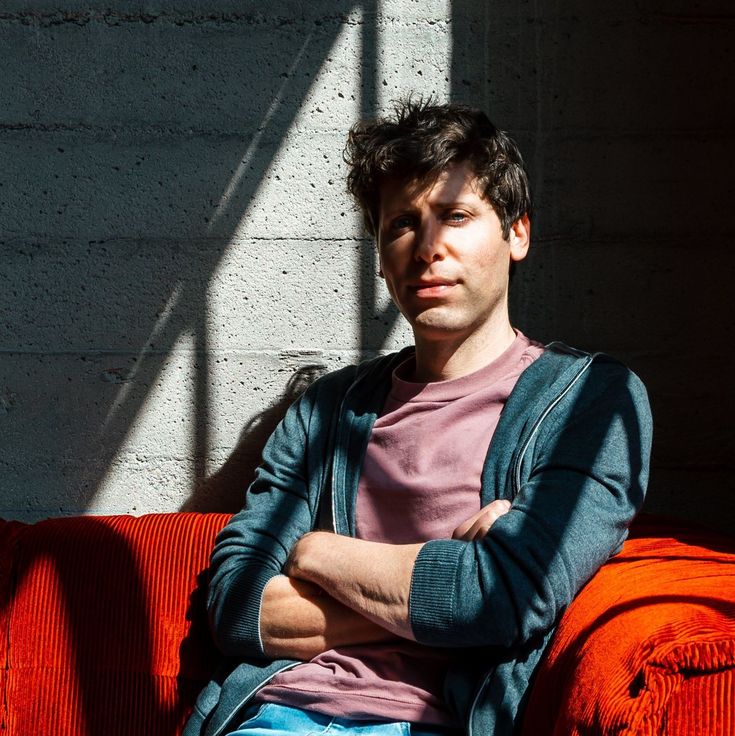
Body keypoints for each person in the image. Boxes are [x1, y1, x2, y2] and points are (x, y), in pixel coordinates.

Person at [184, 99, 653, 736]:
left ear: (517, 233)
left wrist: (316, 552)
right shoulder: (327, 412)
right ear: (380, 257)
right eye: (402, 224)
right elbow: (236, 608)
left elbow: (504, 596)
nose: (427, 247)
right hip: (276, 716)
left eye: (455, 216)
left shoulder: (591, 402)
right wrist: (444, 591)